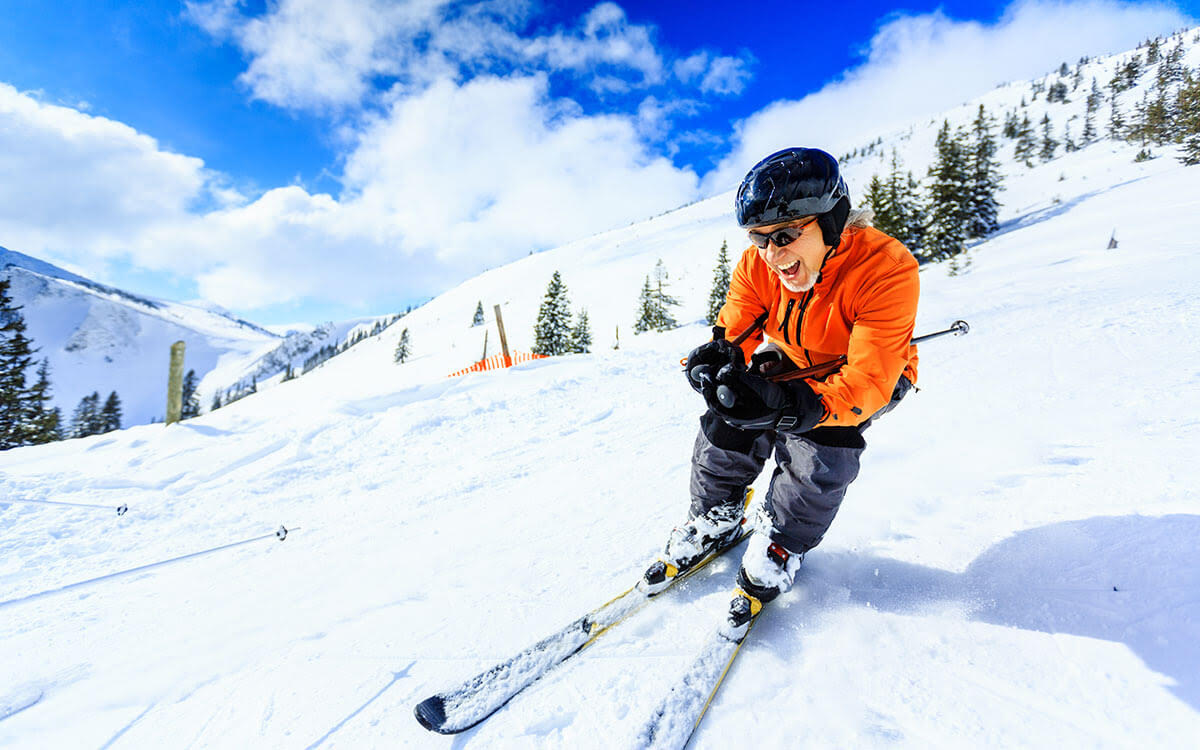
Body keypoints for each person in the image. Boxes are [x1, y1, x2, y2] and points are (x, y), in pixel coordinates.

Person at [655, 147, 920, 610]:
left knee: (822, 441)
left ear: (832, 220)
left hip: (864, 373)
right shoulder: (758, 263)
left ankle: (783, 539)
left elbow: (869, 377)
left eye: (785, 235)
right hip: (793, 358)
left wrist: (796, 407)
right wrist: (718, 354)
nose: (773, 254)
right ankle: (715, 515)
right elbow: (737, 323)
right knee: (730, 409)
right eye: (760, 239)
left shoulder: (886, 268)